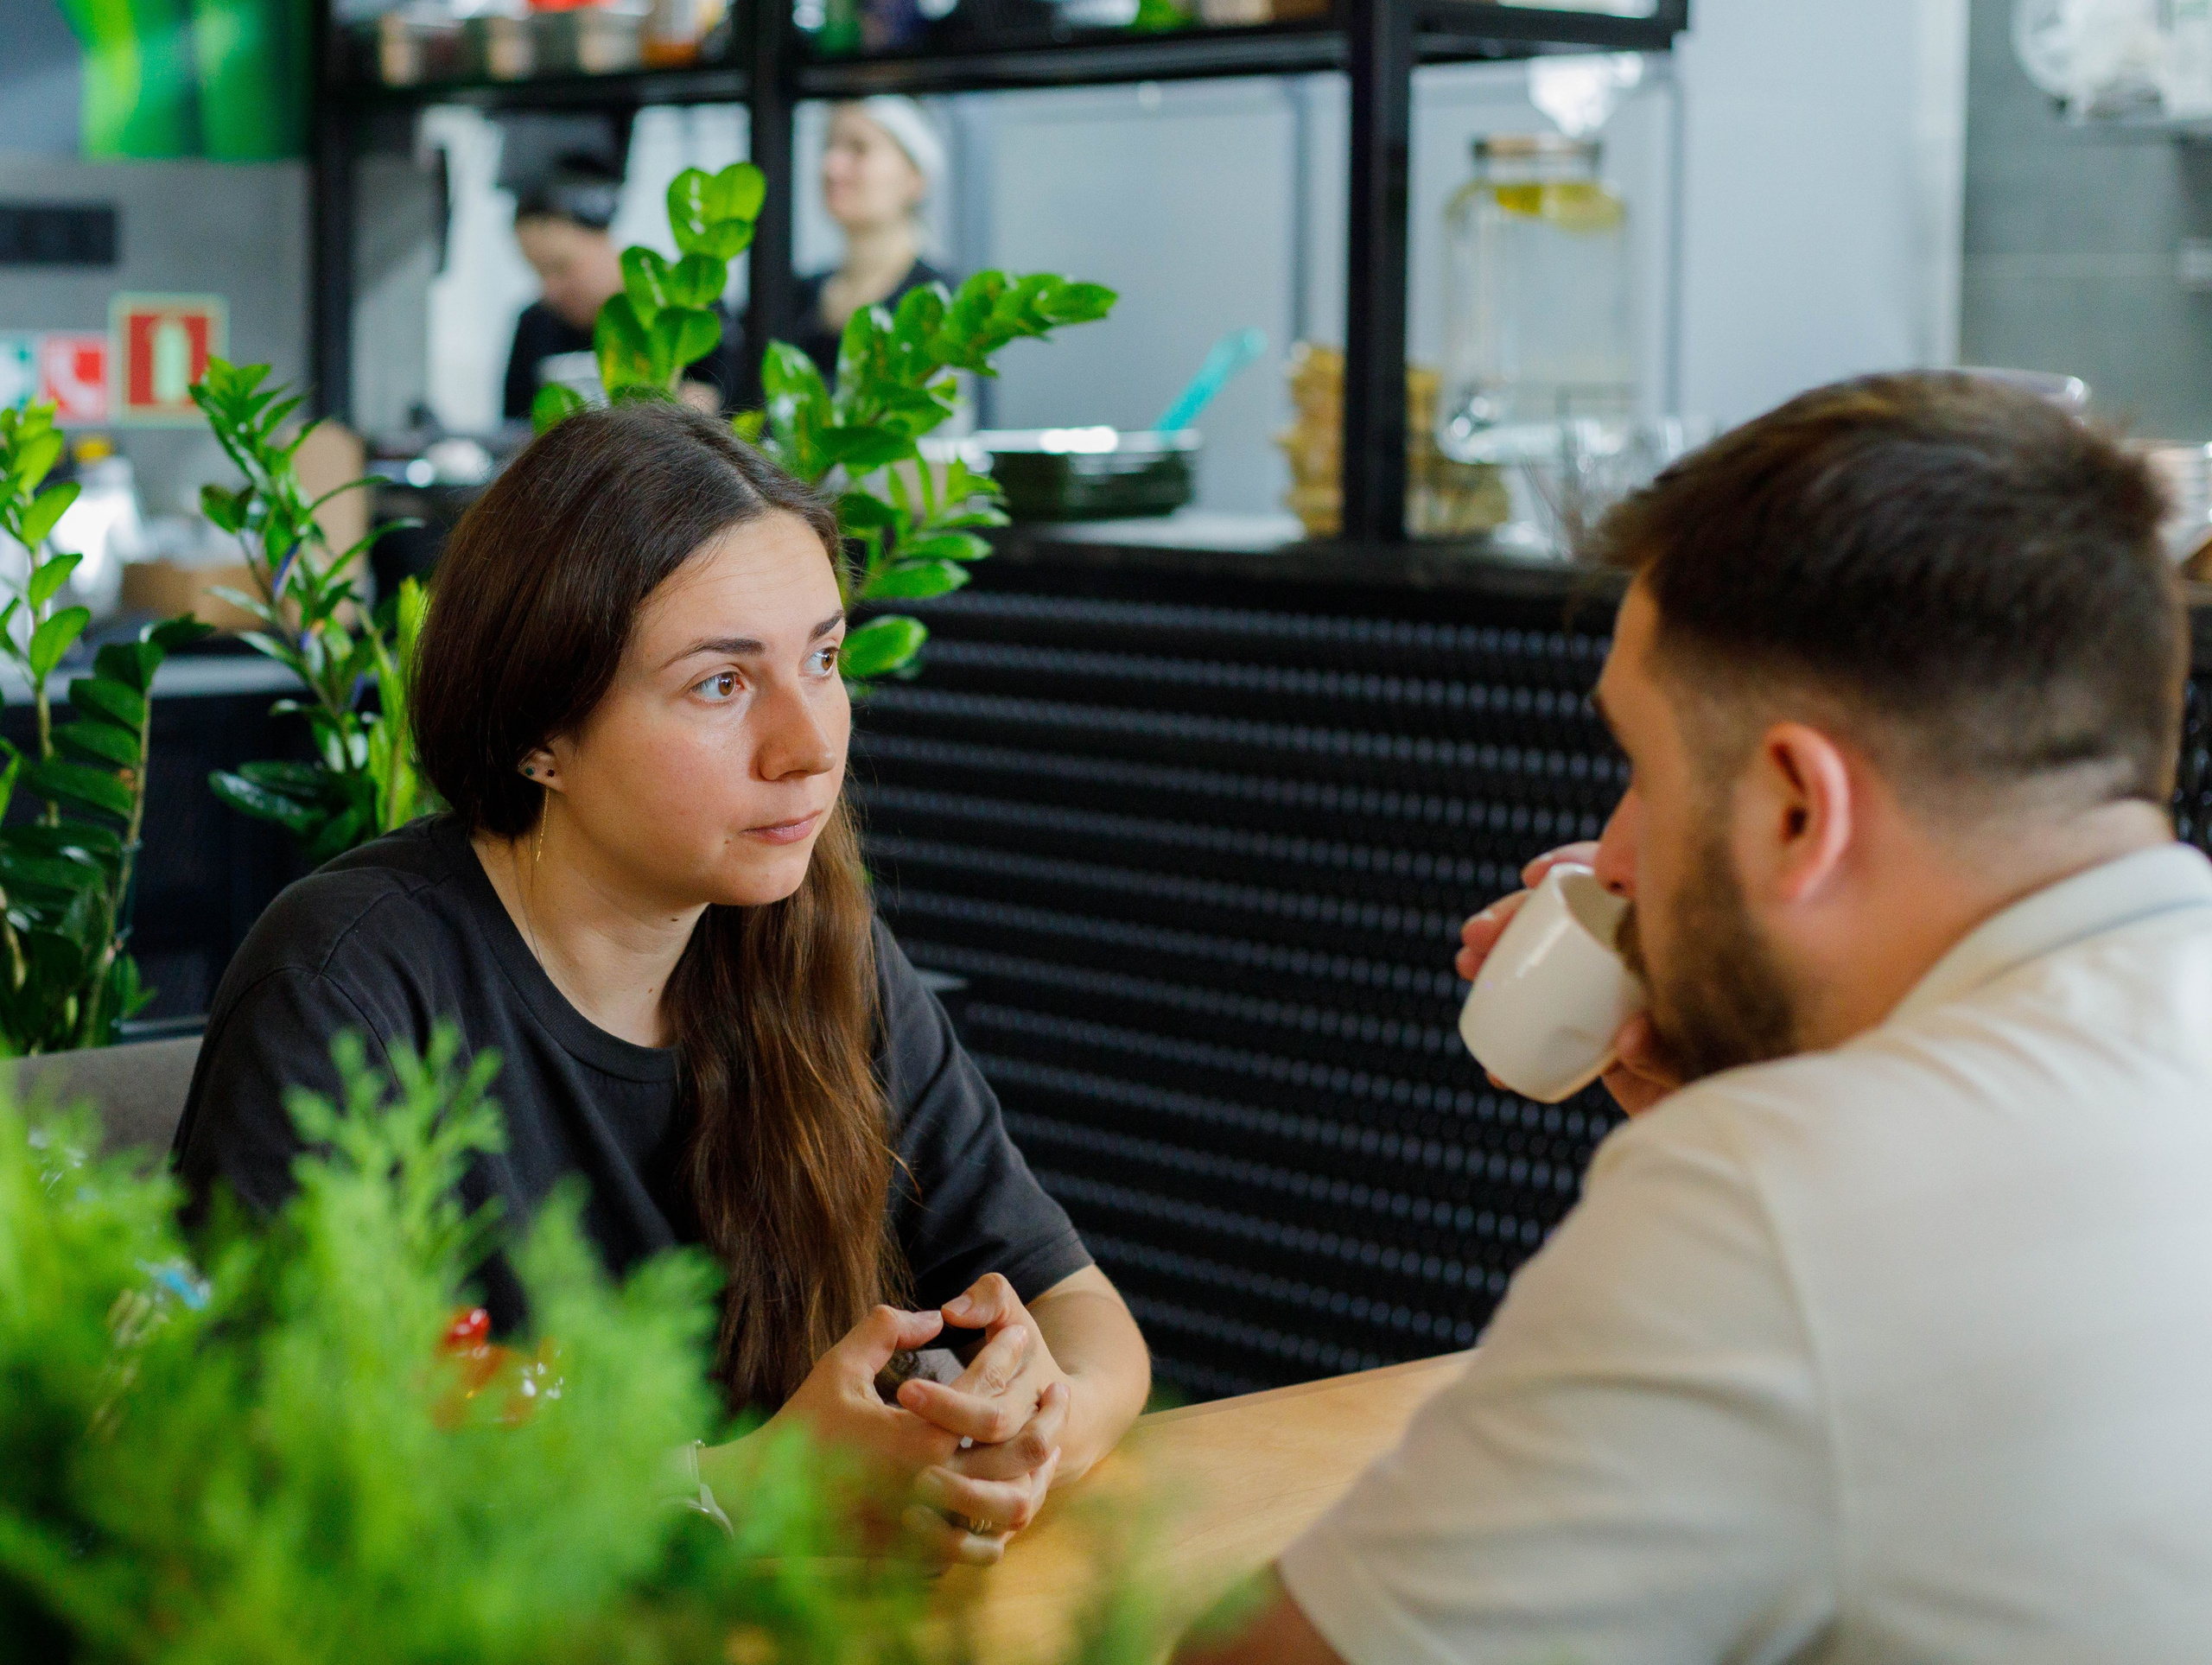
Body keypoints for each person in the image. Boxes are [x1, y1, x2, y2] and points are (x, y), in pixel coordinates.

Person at [1177, 372, 2212, 1663]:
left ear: (1795, 807)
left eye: (1640, 768)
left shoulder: (1771, 1200)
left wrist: (1734, 1163)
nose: (1609, 858)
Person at [171, 400, 1149, 1563]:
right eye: (720, 684)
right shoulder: (350, 982)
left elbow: (1087, 1316)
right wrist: (754, 1483)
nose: (810, 743)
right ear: (541, 732)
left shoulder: (813, 940)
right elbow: (280, 1481)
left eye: (823, 659)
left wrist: (1034, 1425)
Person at [736, 99, 952, 405]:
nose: (832, 166)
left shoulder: (938, 298)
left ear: (914, 177)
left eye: (858, 148)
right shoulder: (794, 294)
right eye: (828, 147)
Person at [503, 157, 732, 422]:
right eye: (537, 272)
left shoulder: (689, 312)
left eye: (560, 268)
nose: (549, 289)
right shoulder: (535, 326)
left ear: (603, 240)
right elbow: (513, 432)